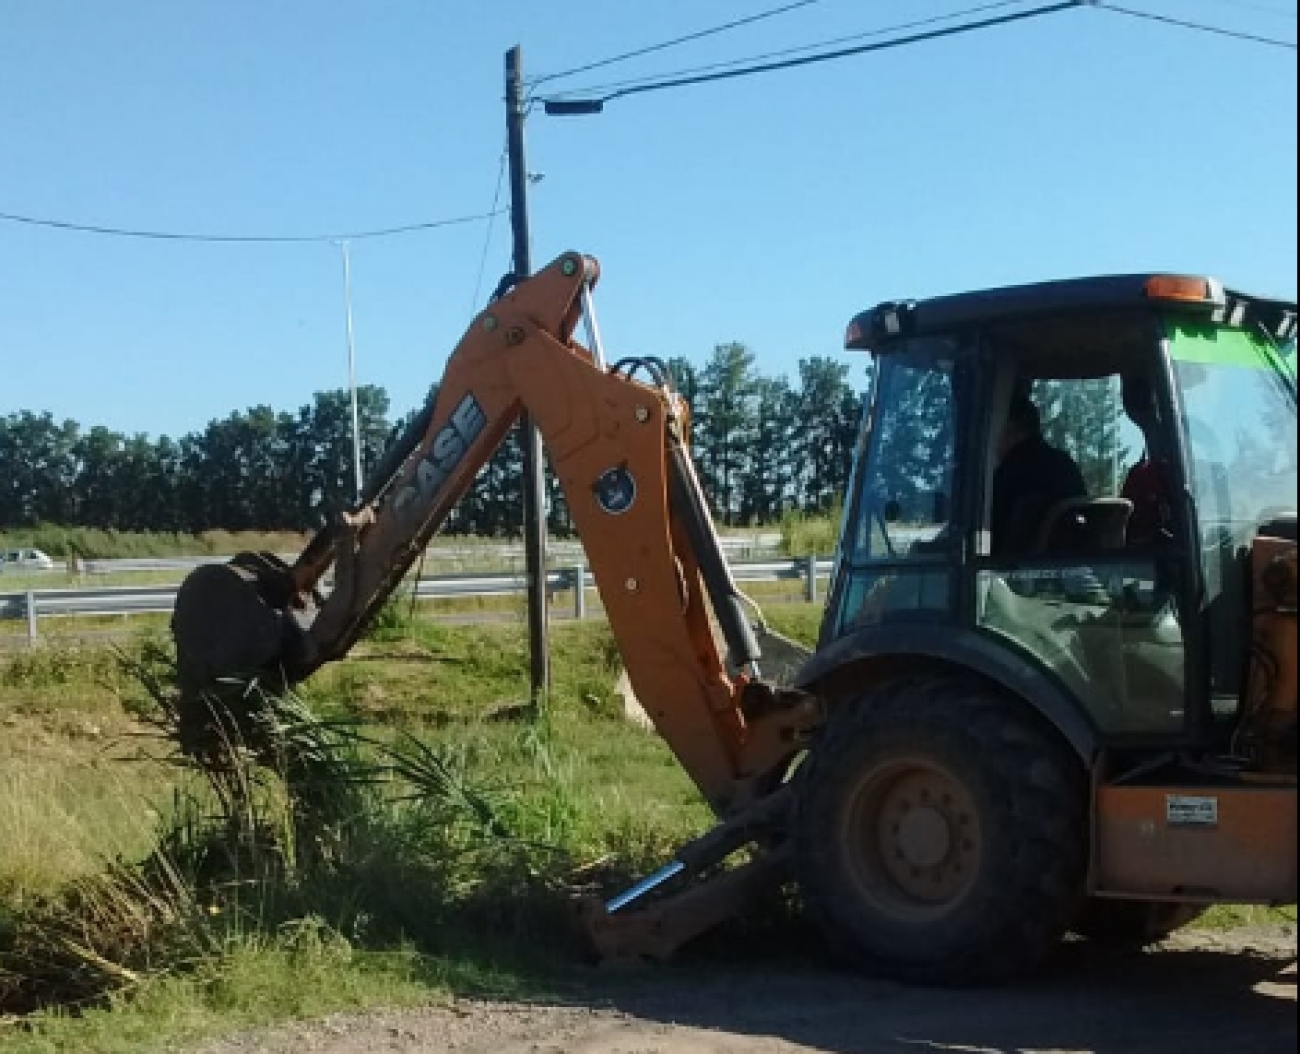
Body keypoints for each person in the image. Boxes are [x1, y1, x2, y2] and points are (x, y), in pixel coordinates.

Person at [991, 393, 1087, 555]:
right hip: (1074, 564)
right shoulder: (1065, 464)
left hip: (1018, 572)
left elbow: (987, 540)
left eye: (993, 428)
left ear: (1009, 428)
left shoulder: (1009, 474)